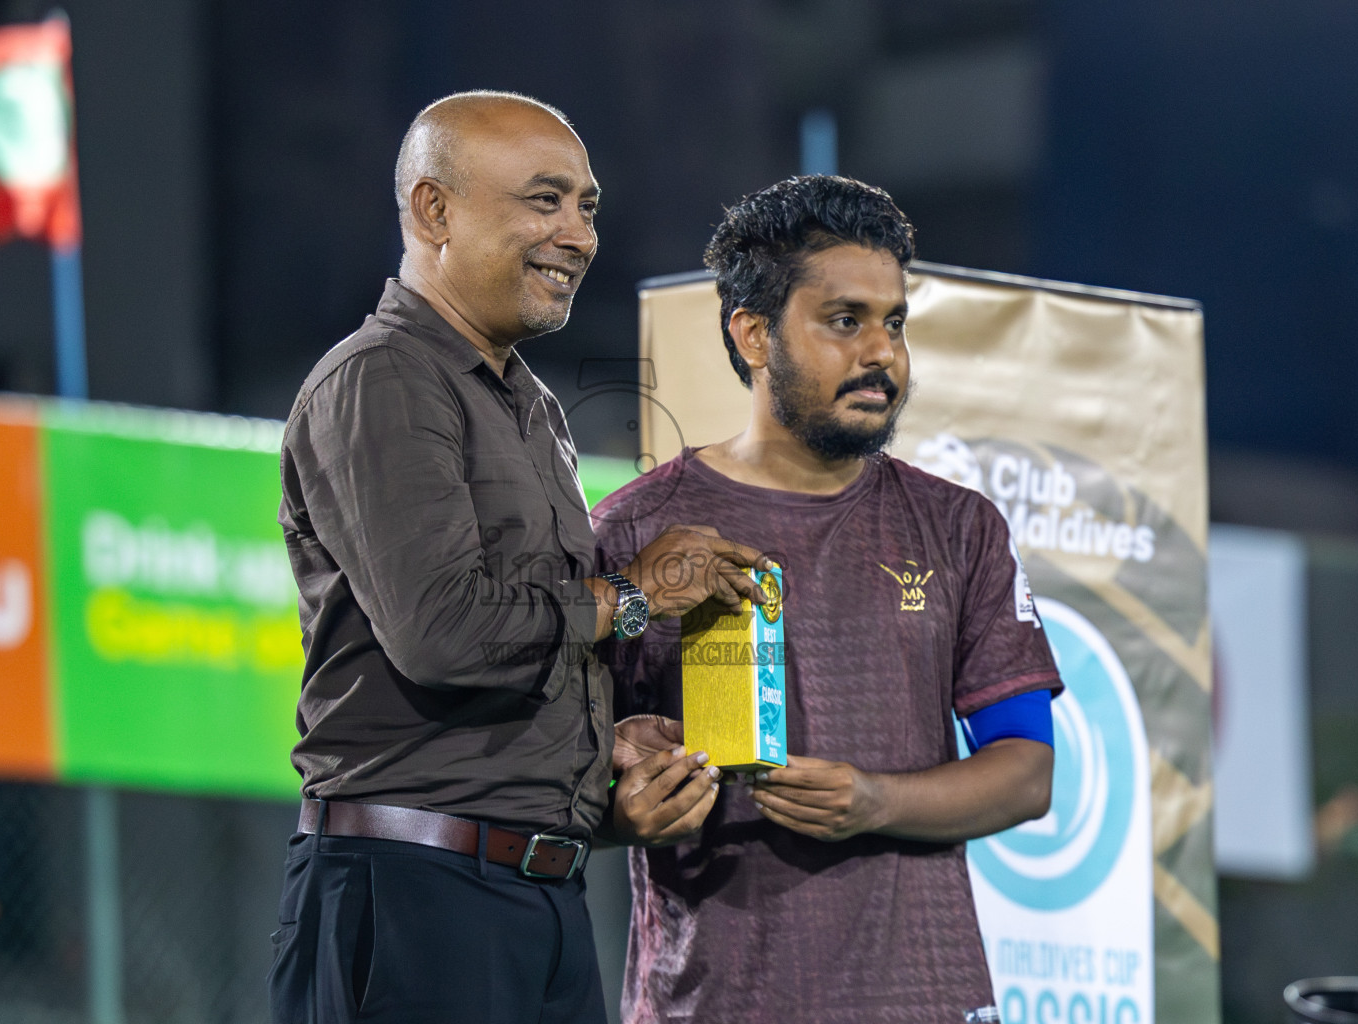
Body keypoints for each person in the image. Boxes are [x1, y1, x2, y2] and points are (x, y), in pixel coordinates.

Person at [270, 90, 770, 1024]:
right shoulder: (381, 378)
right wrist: (632, 597)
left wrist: (594, 748)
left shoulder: (529, 404)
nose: (578, 235)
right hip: (416, 896)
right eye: (544, 201)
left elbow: (510, 637)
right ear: (434, 211)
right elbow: (445, 632)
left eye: (587, 206)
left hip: (535, 894)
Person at [593, 175, 1063, 1024]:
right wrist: (617, 813)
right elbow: (549, 780)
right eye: (845, 321)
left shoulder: (960, 527)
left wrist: (877, 801)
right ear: (754, 334)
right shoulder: (634, 532)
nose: (880, 353)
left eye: (894, 323)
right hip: (709, 1005)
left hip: (925, 999)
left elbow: (1027, 773)